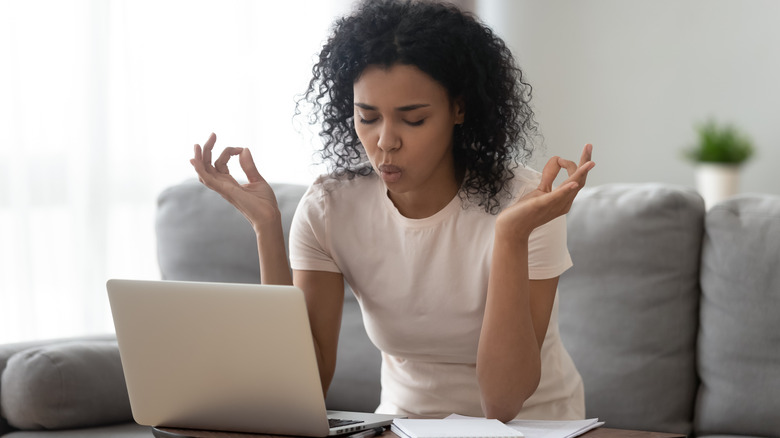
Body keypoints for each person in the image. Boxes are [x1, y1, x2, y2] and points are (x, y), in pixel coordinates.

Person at [190, 0, 594, 423]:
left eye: (413, 119)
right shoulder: (330, 208)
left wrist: (510, 236)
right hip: (401, 426)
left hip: (536, 427)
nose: (385, 142)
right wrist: (267, 228)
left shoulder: (526, 203)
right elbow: (298, 387)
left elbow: (503, 403)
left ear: (459, 109)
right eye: (367, 117)